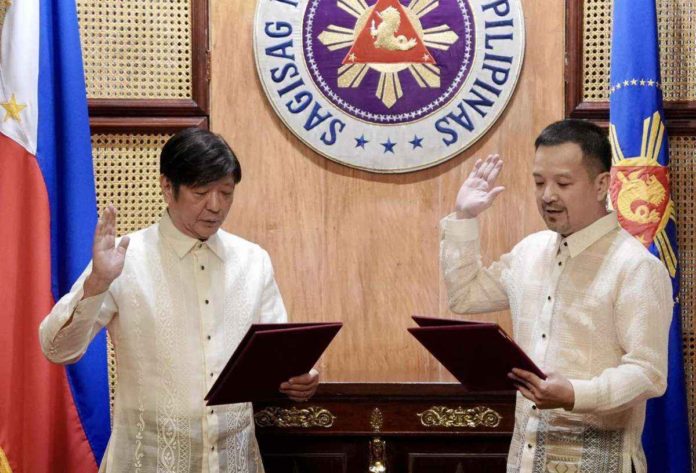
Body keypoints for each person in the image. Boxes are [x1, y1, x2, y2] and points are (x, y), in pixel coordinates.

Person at [39, 128, 319, 473]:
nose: (215, 206)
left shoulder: (253, 261)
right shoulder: (124, 259)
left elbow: (281, 356)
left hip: (235, 461)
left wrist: (300, 377)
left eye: (226, 193)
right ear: (167, 187)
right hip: (147, 462)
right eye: (201, 192)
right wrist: (96, 283)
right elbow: (56, 349)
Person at [439, 119, 672, 473]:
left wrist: (576, 394)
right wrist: (464, 216)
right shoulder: (530, 252)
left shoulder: (635, 266)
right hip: (526, 460)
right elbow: (466, 296)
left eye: (563, 183)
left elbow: (649, 373)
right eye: (539, 182)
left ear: (601, 185)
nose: (548, 195)